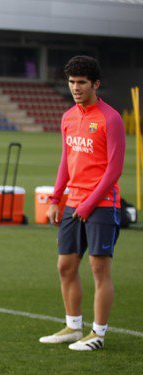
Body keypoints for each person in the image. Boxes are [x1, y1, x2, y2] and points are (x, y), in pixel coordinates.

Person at [39, 55, 124, 351]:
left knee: (99, 269)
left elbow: (114, 169)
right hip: (73, 203)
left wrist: (89, 203)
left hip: (102, 203)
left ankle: (97, 334)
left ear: (95, 84)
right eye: (72, 82)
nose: (76, 88)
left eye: (82, 83)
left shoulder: (110, 119)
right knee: (65, 266)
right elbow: (66, 161)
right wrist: (56, 198)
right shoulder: (68, 117)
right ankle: (73, 327)